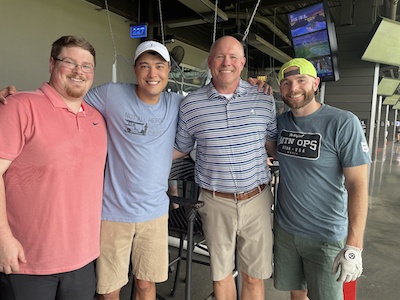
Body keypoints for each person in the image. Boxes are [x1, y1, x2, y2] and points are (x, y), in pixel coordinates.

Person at [0, 39, 269, 300]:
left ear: (168, 71)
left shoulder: (179, 103)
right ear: (135, 70)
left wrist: (254, 85)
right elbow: (66, 98)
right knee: (109, 289)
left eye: (160, 66)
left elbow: (189, 138)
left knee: (145, 285)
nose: (152, 74)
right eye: (144, 66)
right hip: (112, 214)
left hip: (154, 213)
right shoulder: (110, 95)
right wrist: (16, 99)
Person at [0, 36, 107, 299]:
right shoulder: (19, 106)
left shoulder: (98, 118)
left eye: (87, 65)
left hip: (83, 259)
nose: (79, 71)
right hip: (28, 260)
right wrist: (3, 239)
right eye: (69, 62)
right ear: (51, 63)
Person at [174, 35, 277, 300]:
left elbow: (273, 145)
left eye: (233, 57)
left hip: (257, 199)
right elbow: (181, 149)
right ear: (210, 62)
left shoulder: (263, 99)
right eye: (220, 56)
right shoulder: (191, 104)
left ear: (243, 63)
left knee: (254, 276)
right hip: (214, 200)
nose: (226, 62)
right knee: (221, 276)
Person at [274, 58, 371, 300]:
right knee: (297, 294)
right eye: (286, 82)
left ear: (315, 83)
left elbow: (357, 185)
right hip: (286, 231)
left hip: (326, 237)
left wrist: (354, 246)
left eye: (300, 81)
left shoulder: (342, 122)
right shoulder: (281, 122)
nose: (293, 88)